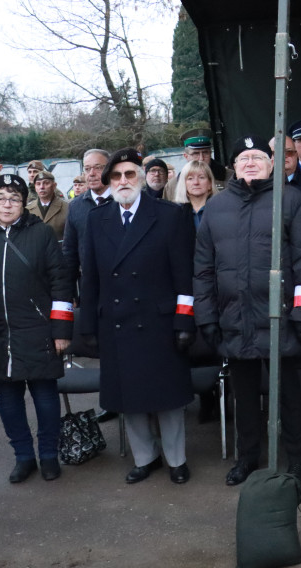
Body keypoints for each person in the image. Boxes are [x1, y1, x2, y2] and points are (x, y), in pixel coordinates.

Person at [194, 135, 301, 485]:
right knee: (244, 397)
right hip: (235, 318)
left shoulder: (291, 200)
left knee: (288, 396)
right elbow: (203, 268)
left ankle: (296, 459)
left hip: (280, 317)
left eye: (258, 157)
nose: (250, 162)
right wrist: (206, 316)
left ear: (272, 163)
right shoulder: (216, 208)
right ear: (233, 167)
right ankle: (247, 458)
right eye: (243, 158)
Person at [79, 148, 196, 485]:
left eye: (130, 174)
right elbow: (90, 279)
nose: (123, 181)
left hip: (159, 322)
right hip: (117, 321)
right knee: (128, 398)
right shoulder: (96, 219)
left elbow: (184, 277)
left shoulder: (170, 215)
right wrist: (87, 325)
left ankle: (176, 459)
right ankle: (146, 458)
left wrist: (184, 321)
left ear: (143, 179)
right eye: (116, 176)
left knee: (168, 398)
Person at [0, 174, 74, 484]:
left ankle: (48, 454)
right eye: (0, 199)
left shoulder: (42, 233)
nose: (7, 204)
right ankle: (23, 456)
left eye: (14, 199)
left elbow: (60, 283)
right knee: (8, 401)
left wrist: (61, 329)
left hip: (37, 328)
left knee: (46, 398)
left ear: (24, 203)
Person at [63, 149, 111, 281]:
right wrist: (68, 293)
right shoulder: (75, 206)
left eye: (98, 168)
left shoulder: (123, 201)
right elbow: (69, 252)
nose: (92, 174)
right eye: (87, 169)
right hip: (89, 284)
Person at [173, 159, 218, 229]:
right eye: (190, 178)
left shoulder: (221, 209)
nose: (196, 182)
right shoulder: (175, 213)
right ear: (184, 184)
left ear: (210, 183)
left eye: (201, 177)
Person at [27, 170, 69, 240]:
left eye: (46, 183)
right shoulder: (28, 209)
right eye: (38, 184)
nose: (42, 187)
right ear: (35, 187)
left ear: (54, 186)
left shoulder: (67, 208)